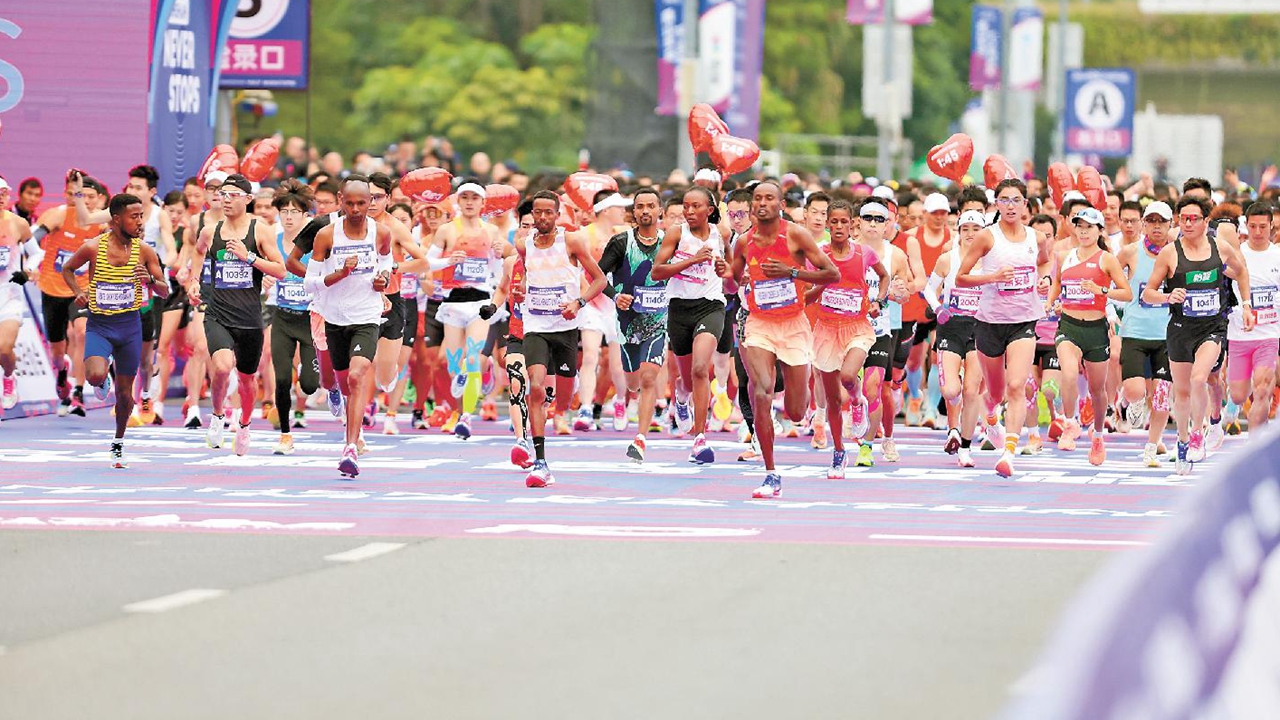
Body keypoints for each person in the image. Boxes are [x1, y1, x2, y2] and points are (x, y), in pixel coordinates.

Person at [731, 181, 839, 498]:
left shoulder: (796, 235)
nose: (763, 203)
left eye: (770, 198)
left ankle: (798, 404)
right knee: (761, 391)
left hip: (793, 324)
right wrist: (735, 276)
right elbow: (732, 281)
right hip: (759, 323)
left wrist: (791, 274)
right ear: (752, 205)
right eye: (758, 198)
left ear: (781, 205)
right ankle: (770, 473)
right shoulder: (743, 241)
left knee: (795, 411)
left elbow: (831, 274)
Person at [1143, 195, 1253, 475]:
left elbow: (1241, 272)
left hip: (1212, 328)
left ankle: (1196, 435)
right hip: (1181, 329)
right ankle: (1182, 441)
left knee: (1199, 378)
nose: (1188, 224)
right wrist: (1167, 296)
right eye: (1183, 219)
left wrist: (1246, 305)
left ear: (1206, 221)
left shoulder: (1220, 248)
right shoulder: (1170, 253)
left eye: (1194, 219)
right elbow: (1148, 293)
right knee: (1181, 392)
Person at [59, 193, 169, 467]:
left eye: (142, 216)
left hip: (129, 327)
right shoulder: (93, 247)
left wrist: (151, 281)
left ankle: (118, 442)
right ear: (117, 219)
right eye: (134, 217)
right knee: (95, 375)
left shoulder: (145, 251)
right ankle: (101, 379)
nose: (140, 222)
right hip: (100, 325)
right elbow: (68, 268)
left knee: (124, 394)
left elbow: (164, 291)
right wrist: (78, 292)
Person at [186, 174, 287, 456]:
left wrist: (248, 257)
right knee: (221, 367)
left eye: (233, 195)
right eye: (223, 194)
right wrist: (194, 280)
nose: (226, 199)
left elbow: (280, 270)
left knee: (246, 379)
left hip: (250, 316)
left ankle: (244, 424)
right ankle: (218, 415)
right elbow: (198, 253)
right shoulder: (210, 231)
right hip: (218, 312)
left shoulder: (260, 231)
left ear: (248, 199)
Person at [513, 191, 608, 488]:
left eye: (548, 212)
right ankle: (540, 463)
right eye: (537, 212)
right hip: (535, 324)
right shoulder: (524, 243)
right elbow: (529, 272)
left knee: (564, 398)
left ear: (557, 215)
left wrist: (578, 302)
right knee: (536, 387)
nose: (542, 217)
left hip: (566, 325)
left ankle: (568, 390)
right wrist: (522, 289)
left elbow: (600, 280)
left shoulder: (572, 241)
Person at [955, 179, 1050, 478]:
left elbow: (1045, 264)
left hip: (1024, 320)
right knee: (995, 393)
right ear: (996, 204)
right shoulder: (987, 237)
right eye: (1005, 200)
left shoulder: (1037, 238)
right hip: (990, 322)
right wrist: (993, 277)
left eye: (1016, 200)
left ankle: (1009, 453)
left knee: (1016, 385)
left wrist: (1045, 280)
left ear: (1025, 205)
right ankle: (991, 415)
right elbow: (961, 277)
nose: (1010, 206)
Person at [303, 175, 395, 476]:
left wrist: (383, 280)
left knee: (357, 376)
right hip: (334, 317)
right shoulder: (327, 235)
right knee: (340, 383)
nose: (356, 209)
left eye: (362, 203)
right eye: (350, 203)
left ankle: (351, 447)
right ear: (341, 201)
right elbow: (309, 283)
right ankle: (337, 398)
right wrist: (338, 275)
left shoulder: (381, 233)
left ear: (371, 202)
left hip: (366, 315)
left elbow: (386, 265)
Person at [72, 165, 177, 427]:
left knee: (145, 357)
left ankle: (146, 396)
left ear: (151, 191)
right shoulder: (118, 212)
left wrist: (159, 267)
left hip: (146, 289)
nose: (133, 190)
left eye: (138, 187)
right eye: (130, 186)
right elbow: (85, 219)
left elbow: (171, 248)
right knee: (116, 347)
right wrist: (77, 191)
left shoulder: (159, 216)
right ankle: (121, 393)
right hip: (116, 292)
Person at [1045, 206, 1133, 465]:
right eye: (1079, 227)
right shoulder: (1064, 256)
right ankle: (1070, 423)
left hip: (1095, 330)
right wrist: (1051, 302)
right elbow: (1057, 283)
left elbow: (1126, 293)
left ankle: (1098, 435)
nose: (1083, 232)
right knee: (1069, 373)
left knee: (1097, 390)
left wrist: (1101, 290)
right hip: (1069, 326)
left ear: (1099, 231)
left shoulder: (1107, 259)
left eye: (1089, 227)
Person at [652, 186, 732, 463]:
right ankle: (681, 395)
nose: (689, 211)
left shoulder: (721, 235)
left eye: (695, 206)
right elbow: (657, 271)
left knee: (700, 368)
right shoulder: (676, 233)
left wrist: (726, 271)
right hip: (679, 308)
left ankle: (700, 439)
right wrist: (692, 260)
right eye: (686, 206)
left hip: (711, 305)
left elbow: (731, 273)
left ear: (710, 210)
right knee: (687, 379)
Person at [808, 199, 886, 478]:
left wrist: (878, 300)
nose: (839, 226)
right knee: (831, 399)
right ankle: (839, 452)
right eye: (834, 222)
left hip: (857, 327)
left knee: (849, 377)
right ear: (828, 225)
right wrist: (819, 286)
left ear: (852, 225)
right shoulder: (819, 254)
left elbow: (884, 276)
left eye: (844, 222)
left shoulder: (864, 253)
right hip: (826, 330)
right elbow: (808, 293)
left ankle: (856, 402)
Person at [427, 180, 507, 440]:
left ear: (483, 203)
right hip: (452, 302)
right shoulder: (447, 230)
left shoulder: (492, 231)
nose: (470, 202)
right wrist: (447, 261)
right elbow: (427, 262)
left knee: (471, 359)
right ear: (458, 201)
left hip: (480, 302)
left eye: (475, 198)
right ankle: (466, 401)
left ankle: (466, 417)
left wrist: (498, 255)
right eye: (465, 197)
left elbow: (498, 271)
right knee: (453, 365)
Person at [596, 187, 668, 463]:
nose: (646, 211)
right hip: (627, 323)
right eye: (640, 206)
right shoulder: (621, 242)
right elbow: (597, 276)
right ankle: (628, 397)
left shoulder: (670, 242)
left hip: (659, 321)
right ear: (633, 212)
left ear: (660, 211)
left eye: (651, 206)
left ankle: (640, 439)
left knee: (649, 378)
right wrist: (616, 296)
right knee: (633, 381)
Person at [34, 172, 107, 417]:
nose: (87, 201)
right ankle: (63, 370)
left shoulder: (102, 224)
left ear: (99, 199)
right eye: (82, 195)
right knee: (57, 352)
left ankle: (78, 391)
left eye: (91, 197)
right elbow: (31, 240)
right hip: (52, 289)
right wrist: (30, 264)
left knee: (82, 332)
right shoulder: (58, 215)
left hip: (82, 289)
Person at [924, 210, 986, 468]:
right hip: (951, 327)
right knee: (952, 390)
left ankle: (965, 447)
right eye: (965, 229)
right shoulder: (947, 259)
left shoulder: (990, 260)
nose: (970, 234)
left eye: (975, 229)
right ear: (958, 232)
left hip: (980, 328)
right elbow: (929, 289)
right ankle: (953, 427)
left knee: (972, 390)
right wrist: (938, 308)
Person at [1116, 201, 1174, 467]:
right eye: (1151, 221)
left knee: (1160, 396)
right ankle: (1130, 403)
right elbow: (1108, 276)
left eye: (1162, 222)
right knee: (1136, 390)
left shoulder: (1178, 253)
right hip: (1135, 331)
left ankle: (1152, 446)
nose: (1156, 227)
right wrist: (1110, 309)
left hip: (1167, 335)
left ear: (1170, 224)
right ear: (1143, 224)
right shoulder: (1130, 252)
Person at [267, 181, 320, 454]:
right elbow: (261, 267)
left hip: (310, 320)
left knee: (309, 385)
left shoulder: (316, 242)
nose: (288, 217)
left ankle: (309, 375)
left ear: (305, 215)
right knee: (281, 379)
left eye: (294, 212)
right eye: (284, 211)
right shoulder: (272, 241)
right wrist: (263, 279)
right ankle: (285, 435)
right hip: (283, 318)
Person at [571, 191, 631, 433]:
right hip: (592, 305)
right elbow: (576, 269)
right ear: (605, 210)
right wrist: (584, 295)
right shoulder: (583, 235)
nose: (624, 212)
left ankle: (620, 402)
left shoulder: (625, 234)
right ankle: (585, 408)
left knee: (617, 364)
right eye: (619, 208)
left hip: (617, 305)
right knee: (590, 356)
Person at [1225, 202, 1279, 434]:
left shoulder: (1277, 255)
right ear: (1246, 226)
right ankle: (1232, 402)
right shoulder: (1236, 255)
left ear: (1271, 226)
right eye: (1253, 226)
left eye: (1263, 226)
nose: (1258, 232)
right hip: (1239, 334)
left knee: (1263, 389)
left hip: (1269, 334)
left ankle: (1255, 443)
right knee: (1239, 395)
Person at [0, 189, 35, 412]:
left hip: (9, 296)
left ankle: (9, 377)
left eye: (3, 193)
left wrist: (27, 270)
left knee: (4, 349)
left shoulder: (18, 223)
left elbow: (37, 253)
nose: (0, 197)